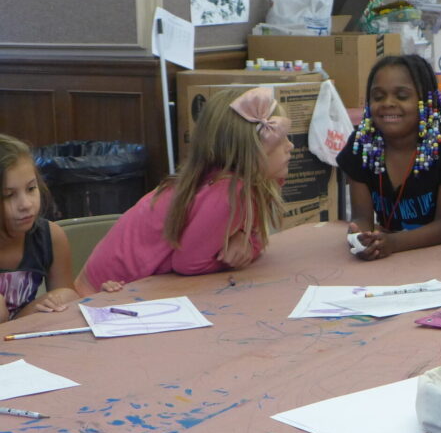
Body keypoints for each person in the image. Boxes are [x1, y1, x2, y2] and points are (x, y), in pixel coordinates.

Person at [76, 87, 293, 294]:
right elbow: (189, 264)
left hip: (121, 286)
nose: (290, 146)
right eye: (280, 140)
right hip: (105, 293)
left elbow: (251, 235)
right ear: (250, 152)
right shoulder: (229, 191)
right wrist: (239, 254)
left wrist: (246, 239)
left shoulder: (234, 181)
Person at [337, 55, 441, 259]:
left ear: (426, 101)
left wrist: (393, 243)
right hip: (394, 260)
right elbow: (361, 217)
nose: (388, 103)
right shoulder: (361, 147)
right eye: (378, 96)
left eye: (401, 96)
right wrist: (361, 239)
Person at [0, 134, 81, 322]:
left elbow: (68, 303)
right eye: (8, 195)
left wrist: (50, 305)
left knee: (67, 296)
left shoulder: (50, 236)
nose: (26, 204)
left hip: (21, 332)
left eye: (30, 189)